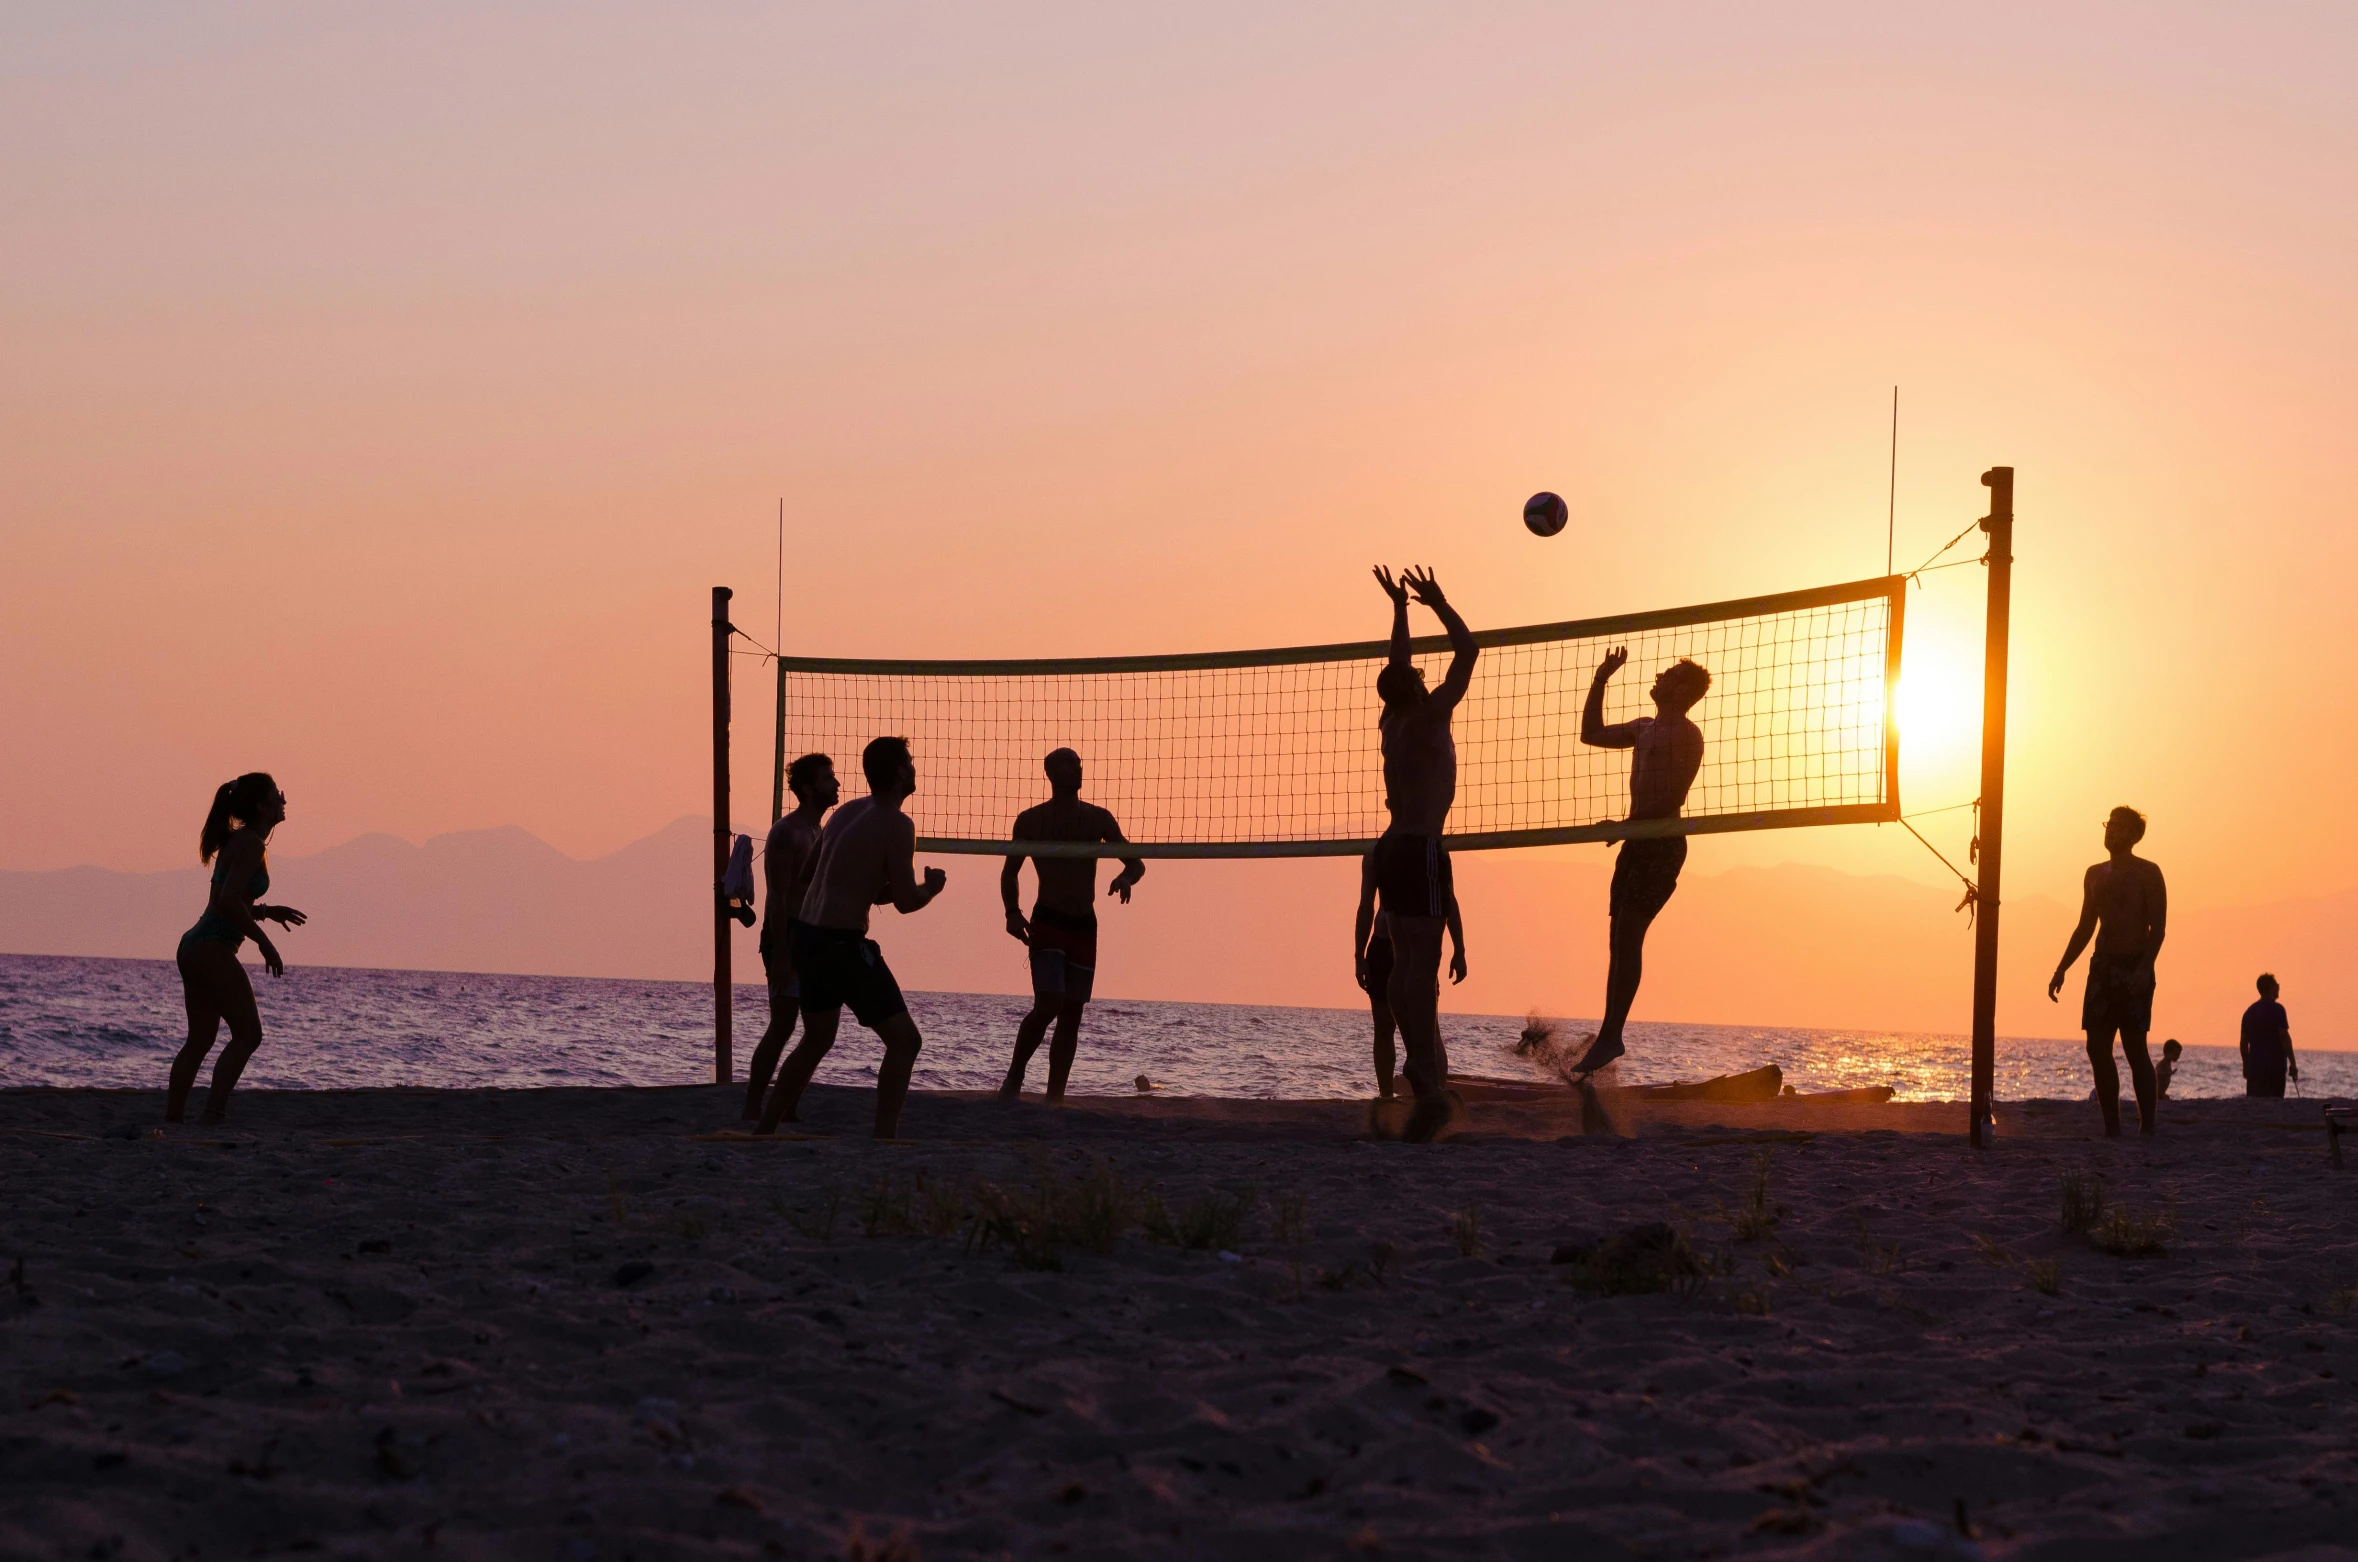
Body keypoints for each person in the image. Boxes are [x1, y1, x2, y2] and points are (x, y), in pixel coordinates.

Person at [754, 737, 947, 1139]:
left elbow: (808, 876)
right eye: (909, 763)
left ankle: (765, 1128)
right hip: (842, 944)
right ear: (898, 772)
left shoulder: (844, 812)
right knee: (906, 1041)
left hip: (808, 937)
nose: (914, 770)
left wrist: (868, 885)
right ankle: (884, 1139)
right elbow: (908, 903)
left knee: (816, 1037)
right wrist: (931, 888)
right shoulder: (898, 823)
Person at [1560, 649, 1711, 1081]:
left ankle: (1612, 1034)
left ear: (1682, 690)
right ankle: (1609, 1033)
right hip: (1636, 842)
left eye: (1670, 674)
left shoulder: (1685, 734)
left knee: (1630, 935)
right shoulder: (1646, 728)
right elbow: (1590, 734)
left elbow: (1667, 800)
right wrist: (1600, 678)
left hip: (1660, 843)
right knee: (1616, 940)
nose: (1660, 675)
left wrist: (1626, 827)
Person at [1371, 564, 1478, 1141]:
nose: (1419, 672)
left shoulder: (1390, 719)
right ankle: (1419, 1063)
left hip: (1392, 847)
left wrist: (1399, 609)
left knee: (1407, 961)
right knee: (1422, 966)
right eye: (1416, 674)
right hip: (1420, 849)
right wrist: (1438, 600)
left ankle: (1417, 1060)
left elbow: (1396, 665)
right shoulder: (1429, 714)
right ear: (1416, 688)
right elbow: (1470, 652)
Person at [998, 748, 1145, 1101]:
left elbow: (1136, 863)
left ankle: (1055, 1097)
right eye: (1069, 764)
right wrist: (1012, 912)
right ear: (1050, 772)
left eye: (1079, 763)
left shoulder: (1098, 819)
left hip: (1083, 924)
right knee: (1049, 1003)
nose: (1078, 768)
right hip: (1047, 919)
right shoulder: (1032, 820)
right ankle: (1014, 1078)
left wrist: (1126, 878)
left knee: (1072, 1013)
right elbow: (1010, 871)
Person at [168, 773, 307, 1124]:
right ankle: (212, 1115)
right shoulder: (251, 845)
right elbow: (228, 902)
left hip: (195, 946)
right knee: (248, 1034)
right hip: (212, 947)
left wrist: (264, 912)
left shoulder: (242, 842)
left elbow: (224, 901)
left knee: (200, 1040)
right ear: (262, 806)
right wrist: (265, 943)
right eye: (278, 795)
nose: (284, 800)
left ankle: (174, 1120)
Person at [2049, 806, 2168, 1136]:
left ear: (2133, 835)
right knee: (2097, 1048)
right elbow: (2085, 926)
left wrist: (2145, 968)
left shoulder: (2148, 873)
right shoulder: (2094, 874)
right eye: (2109, 824)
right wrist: (2062, 968)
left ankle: (2148, 1128)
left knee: (2134, 1047)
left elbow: (2157, 928)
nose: (2110, 830)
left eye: (2118, 826)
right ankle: (2112, 1128)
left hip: (2134, 968)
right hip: (2102, 967)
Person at [741, 753, 840, 1119]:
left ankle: (788, 1107)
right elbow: (777, 898)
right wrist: (781, 954)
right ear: (808, 789)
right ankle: (753, 1106)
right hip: (789, 935)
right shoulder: (787, 833)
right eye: (828, 779)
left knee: (818, 1033)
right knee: (782, 1024)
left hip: (815, 937)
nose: (837, 784)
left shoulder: (822, 832)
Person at [1354, 846, 1466, 1099]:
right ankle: (1386, 1097)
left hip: (1418, 947)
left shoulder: (1434, 850)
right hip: (1383, 946)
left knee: (1429, 1029)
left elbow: (1449, 900)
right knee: (1383, 1027)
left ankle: (1435, 1095)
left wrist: (1459, 949)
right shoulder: (1377, 853)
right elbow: (1365, 906)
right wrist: (1359, 957)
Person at [2240, 974, 2299, 1098]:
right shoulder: (2278, 1010)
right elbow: (2284, 1037)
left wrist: (2246, 1065)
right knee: (2275, 1102)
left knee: (2254, 1105)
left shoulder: (2249, 1012)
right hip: (2274, 1068)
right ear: (2270, 987)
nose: (2278, 987)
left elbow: (2244, 1043)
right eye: (2276, 984)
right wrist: (2292, 1063)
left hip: (2255, 1068)